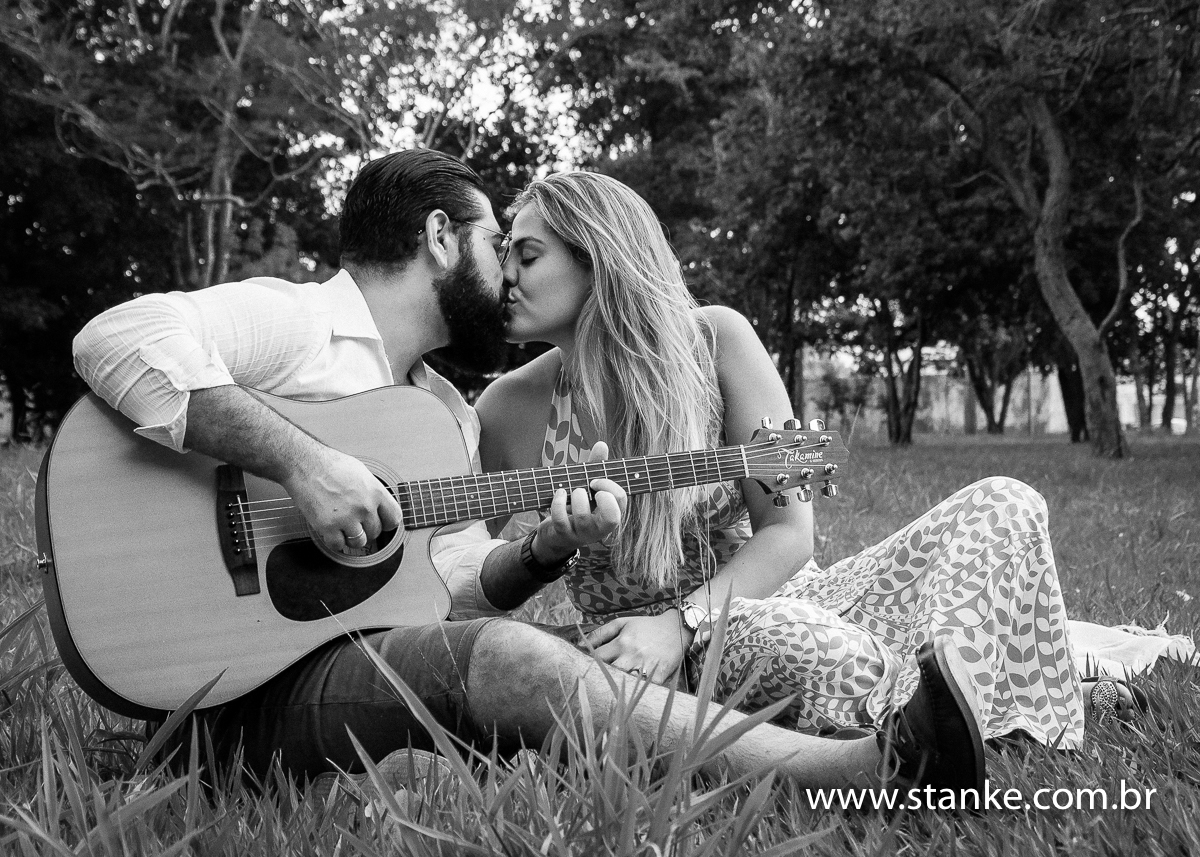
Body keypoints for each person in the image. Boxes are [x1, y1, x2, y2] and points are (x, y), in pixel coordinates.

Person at [72, 149, 986, 795]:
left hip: (322, 660)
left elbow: (459, 581)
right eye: (493, 242)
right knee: (514, 661)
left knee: (495, 667)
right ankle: (871, 770)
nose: (505, 271)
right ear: (440, 237)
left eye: (526, 251)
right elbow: (117, 338)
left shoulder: (440, 413)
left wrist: (547, 546)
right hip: (244, 672)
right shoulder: (302, 323)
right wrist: (301, 463)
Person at [477, 171, 1125, 755]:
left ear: (602, 261)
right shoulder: (507, 408)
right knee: (805, 645)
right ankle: (977, 698)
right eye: (505, 254)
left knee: (1005, 501)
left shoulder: (715, 342)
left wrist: (683, 621)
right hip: (674, 653)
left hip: (786, 599)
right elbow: (464, 577)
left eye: (527, 255)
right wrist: (546, 556)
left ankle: (955, 696)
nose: (505, 275)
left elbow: (789, 531)